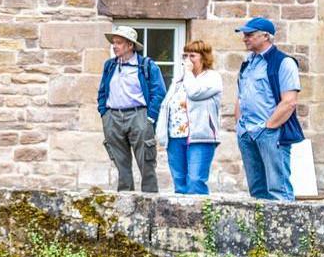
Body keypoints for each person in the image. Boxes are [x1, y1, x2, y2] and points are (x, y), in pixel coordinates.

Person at [233, 18, 301, 201]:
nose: (244, 38)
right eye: (244, 34)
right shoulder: (248, 62)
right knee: (257, 192)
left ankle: (285, 229)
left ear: (265, 36)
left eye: (249, 34)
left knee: (279, 190)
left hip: (271, 133)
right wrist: (240, 126)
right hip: (247, 132)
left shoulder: (284, 63)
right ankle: (260, 230)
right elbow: (241, 96)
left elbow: (289, 102)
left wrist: (267, 128)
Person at [96, 25, 167, 193]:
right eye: (114, 43)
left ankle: (150, 203)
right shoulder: (109, 66)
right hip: (113, 116)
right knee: (121, 165)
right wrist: (104, 113)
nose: (114, 46)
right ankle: (125, 202)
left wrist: (150, 118)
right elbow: (102, 91)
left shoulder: (146, 66)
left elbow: (159, 92)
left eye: (119, 43)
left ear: (130, 45)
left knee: (146, 163)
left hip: (139, 115)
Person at [157, 40, 224, 195]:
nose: (187, 60)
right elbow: (167, 106)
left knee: (195, 182)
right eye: (184, 56)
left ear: (204, 57)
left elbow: (194, 93)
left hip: (200, 137)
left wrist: (187, 72)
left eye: (192, 55)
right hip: (175, 137)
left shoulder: (212, 78)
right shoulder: (179, 80)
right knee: (179, 183)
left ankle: (199, 219)